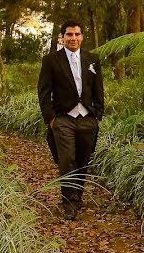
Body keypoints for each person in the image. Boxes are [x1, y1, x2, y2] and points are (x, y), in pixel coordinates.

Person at [38, 20, 104, 221]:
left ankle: (77, 196)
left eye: (77, 34)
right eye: (69, 34)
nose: (73, 38)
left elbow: (98, 89)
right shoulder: (51, 60)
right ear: (62, 37)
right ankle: (68, 202)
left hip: (87, 119)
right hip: (63, 118)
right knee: (66, 160)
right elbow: (43, 91)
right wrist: (51, 119)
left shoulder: (92, 59)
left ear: (82, 37)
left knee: (83, 161)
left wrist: (98, 115)